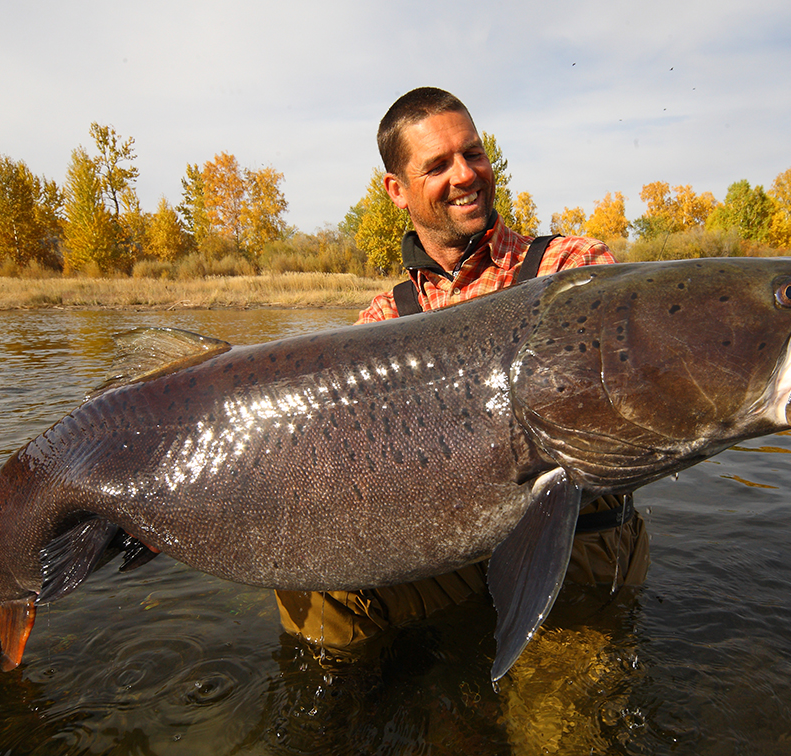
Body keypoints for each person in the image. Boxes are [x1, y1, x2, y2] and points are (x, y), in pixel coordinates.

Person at [274, 86, 649, 655]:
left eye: (472, 153)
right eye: (438, 165)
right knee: (317, 587)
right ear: (396, 191)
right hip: (451, 543)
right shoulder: (379, 321)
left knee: (555, 731)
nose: (466, 174)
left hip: (571, 543)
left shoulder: (572, 268)